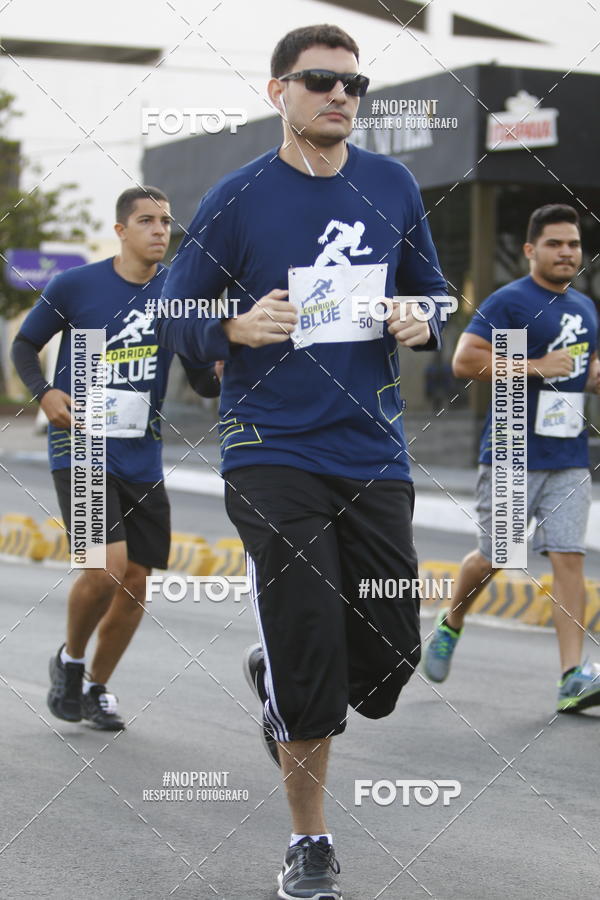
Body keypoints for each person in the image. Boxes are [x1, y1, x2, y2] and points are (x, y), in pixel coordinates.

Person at [156, 24, 448, 900]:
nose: (341, 96)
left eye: (355, 85)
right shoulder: (237, 196)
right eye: (321, 81)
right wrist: (232, 327)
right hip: (268, 446)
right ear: (278, 90)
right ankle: (309, 842)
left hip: (373, 449)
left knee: (392, 665)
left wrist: (419, 320)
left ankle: (278, 674)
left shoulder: (392, 182)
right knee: (309, 643)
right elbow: (172, 310)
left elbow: (435, 289)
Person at [11, 186, 220, 731]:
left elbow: (198, 374)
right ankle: (71, 663)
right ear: (121, 230)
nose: (160, 230)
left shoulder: (178, 292)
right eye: (147, 221)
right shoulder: (76, 285)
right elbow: (23, 347)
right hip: (79, 446)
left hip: (142, 458)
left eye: (166, 222)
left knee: (135, 584)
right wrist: (44, 393)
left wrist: (221, 365)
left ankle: (96, 688)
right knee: (106, 569)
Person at [423, 204, 600, 713]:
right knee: (499, 555)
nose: (566, 252)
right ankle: (451, 622)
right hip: (511, 449)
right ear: (530, 251)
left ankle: (571, 677)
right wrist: (537, 365)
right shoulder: (510, 303)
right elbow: (465, 361)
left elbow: (585, 365)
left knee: (569, 556)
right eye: (554, 244)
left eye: (573, 244)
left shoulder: (585, 307)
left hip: (567, 454)